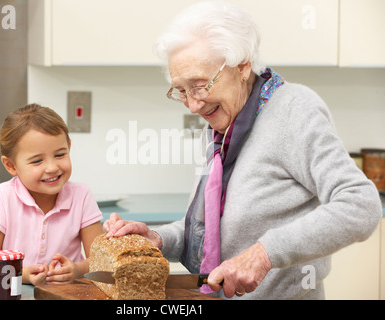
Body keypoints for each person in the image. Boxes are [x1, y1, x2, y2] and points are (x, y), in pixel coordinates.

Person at [104, 1, 382, 299]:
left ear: (242, 65)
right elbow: (211, 231)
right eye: (181, 90)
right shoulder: (219, 128)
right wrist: (157, 238)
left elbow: (361, 205)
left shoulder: (293, 109)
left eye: (200, 84)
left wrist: (265, 254)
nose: (193, 104)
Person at [0, 104, 103, 286]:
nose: (52, 168)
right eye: (37, 161)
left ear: (69, 147)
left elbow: (101, 261)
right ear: (11, 165)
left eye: (59, 155)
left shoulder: (81, 196)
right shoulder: (2, 197)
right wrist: (21, 274)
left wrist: (77, 270)